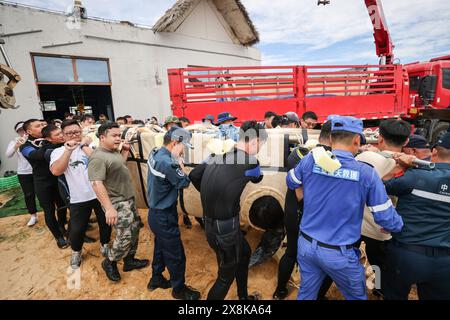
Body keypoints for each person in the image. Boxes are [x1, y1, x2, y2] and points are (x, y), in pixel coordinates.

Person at [287, 115, 403, 300]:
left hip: (307, 245)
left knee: (307, 295)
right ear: (357, 141)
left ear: (331, 139)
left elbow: (291, 181)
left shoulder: (311, 160)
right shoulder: (367, 174)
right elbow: (386, 218)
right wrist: (398, 226)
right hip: (339, 255)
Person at [190, 120, 268, 300]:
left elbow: (194, 175)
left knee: (245, 252)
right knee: (225, 278)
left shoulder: (216, 155)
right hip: (225, 232)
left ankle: (243, 297)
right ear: (255, 140)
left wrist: (212, 194)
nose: (260, 149)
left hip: (214, 227)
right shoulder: (251, 161)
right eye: (261, 145)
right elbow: (257, 178)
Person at [382, 132, 450, 300]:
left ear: (434, 151)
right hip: (445, 261)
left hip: (405, 255)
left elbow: (379, 187)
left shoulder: (415, 175)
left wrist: (400, 167)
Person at [273, 121, 333, 300]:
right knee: (316, 256)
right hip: (309, 215)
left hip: (292, 210)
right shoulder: (331, 160)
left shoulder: (299, 153)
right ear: (333, 137)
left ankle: (280, 290)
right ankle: (315, 294)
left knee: (291, 251)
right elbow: (302, 195)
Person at [88, 123, 149, 282]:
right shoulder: (97, 158)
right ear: (102, 137)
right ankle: (110, 262)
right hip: (117, 202)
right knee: (125, 235)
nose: (118, 138)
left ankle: (129, 260)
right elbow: (96, 183)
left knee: (134, 230)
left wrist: (125, 150)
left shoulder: (113, 151)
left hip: (128, 199)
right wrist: (108, 208)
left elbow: (119, 163)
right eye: (114, 135)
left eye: (119, 135)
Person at [357, 119, 411, 297]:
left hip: (355, 222)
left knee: (349, 258)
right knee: (379, 263)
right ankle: (378, 287)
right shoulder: (406, 167)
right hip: (381, 227)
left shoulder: (362, 157)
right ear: (406, 141)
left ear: (379, 138)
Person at [146, 126, 200, 300]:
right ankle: (179, 289)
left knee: (161, 246)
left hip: (155, 213)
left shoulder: (155, 153)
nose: (183, 150)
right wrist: (181, 166)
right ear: (175, 143)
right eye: (183, 146)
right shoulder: (168, 163)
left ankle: (156, 278)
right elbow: (183, 182)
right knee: (176, 254)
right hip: (164, 215)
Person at [50, 120, 111, 269]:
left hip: (99, 194)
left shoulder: (91, 147)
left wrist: (84, 145)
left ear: (81, 132)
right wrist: (69, 150)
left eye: (76, 132)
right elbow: (56, 171)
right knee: (77, 229)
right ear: (63, 136)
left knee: (106, 223)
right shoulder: (57, 152)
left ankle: (104, 244)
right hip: (78, 198)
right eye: (69, 133)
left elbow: (103, 163)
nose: (74, 136)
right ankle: (76, 251)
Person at [20, 121, 69, 248]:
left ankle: (62, 227)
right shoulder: (25, 146)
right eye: (38, 126)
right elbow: (36, 155)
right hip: (42, 181)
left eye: (42, 124)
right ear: (29, 132)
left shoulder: (53, 140)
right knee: (49, 210)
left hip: (58, 178)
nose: (42, 127)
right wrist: (48, 143)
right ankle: (58, 237)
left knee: (62, 206)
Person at [5, 122, 37, 226]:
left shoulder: (35, 139)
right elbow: (8, 155)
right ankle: (33, 215)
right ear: (17, 132)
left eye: (24, 129)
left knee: (43, 194)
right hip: (24, 172)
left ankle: (48, 213)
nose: (22, 132)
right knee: (28, 194)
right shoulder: (15, 141)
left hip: (38, 171)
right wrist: (16, 146)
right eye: (20, 130)